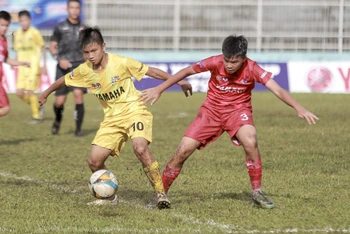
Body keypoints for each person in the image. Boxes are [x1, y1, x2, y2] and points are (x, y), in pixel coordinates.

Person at [140, 35, 319, 209]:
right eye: (227, 60)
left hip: (238, 112)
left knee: (251, 140)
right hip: (211, 112)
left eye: (234, 62)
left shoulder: (253, 68)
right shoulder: (214, 61)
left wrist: (298, 107)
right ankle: (160, 194)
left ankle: (257, 191)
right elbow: (187, 70)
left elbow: (277, 89)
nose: (229, 65)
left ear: (243, 59)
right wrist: (160, 88)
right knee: (182, 151)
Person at [38, 27, 192, 209]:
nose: (91, 56)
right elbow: (63, 80)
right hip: (112, 119)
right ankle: (109, 196)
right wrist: (46, 93)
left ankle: (161, 194)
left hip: (135, 110)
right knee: (94, 161)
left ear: (103, 46)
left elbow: (153, 72)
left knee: (140, 148)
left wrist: (180, 81)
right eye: (86, 52)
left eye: (94, 51)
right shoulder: (84, 70)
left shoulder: (121, 62)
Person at [49, 0, 86, 136]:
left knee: (78, 95)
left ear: (80, 10)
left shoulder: (84, 28)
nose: (75, 10)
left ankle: (78, 129)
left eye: (77, 8)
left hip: (78, 66)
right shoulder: (60, 27)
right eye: (72, 8)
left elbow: (89, 48)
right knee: (59, 102)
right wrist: (59, 59)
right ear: (67, 9)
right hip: (62, 67)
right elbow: (52, 47)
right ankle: (57, 120)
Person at [13, 10, 46, 123]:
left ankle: (36, 117)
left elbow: (42, 47)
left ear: (30, 20)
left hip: (33, 67)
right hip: (22, 67)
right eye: (21, 21)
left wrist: (44, 65)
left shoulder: (35, 32)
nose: (24, 23)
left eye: (25, 20)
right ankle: (38, 106)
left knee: (30, 92)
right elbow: (17, 50)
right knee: (19, 93)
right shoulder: (17, 33)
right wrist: (15, 62)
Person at [0, 11, 30, 117]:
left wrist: (21, 63)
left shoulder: (3, 41)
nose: (4, 28)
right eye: (1, 25)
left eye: (6, 25)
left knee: (6, 108)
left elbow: (6, 59)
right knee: (6, 108)